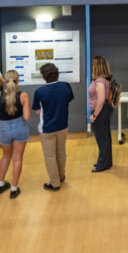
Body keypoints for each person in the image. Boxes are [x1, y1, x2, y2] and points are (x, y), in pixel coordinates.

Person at [33, 62, 74, 192]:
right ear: (57, 73)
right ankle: (61, 177)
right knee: (61, 152)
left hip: (47, 129)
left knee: (50, 156)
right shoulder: (66, 86)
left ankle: (55, 183)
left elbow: (37, 111)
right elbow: (68, 103)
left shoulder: (39, 92)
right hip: (63, 126)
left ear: (44, 76)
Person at [0, 71, 30, 198]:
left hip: (3, 128)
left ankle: (0, 185)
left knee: (5, 157)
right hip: (20, 127)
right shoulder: (23, 95)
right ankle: (14, 189)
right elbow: (26, 117)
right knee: (17, 158)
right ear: (18, 81)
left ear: (5, 81)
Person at [89, 55, 115, 173]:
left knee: (102, 139)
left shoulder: (99, 81)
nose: (92, 66)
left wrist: (94, 116)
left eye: (93, 64)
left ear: (97, 66)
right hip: (105, 111)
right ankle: (106, 162)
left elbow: (100, 100)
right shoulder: (104, 79)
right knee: (105, 137)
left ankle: (102, 165)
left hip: (100, 111)